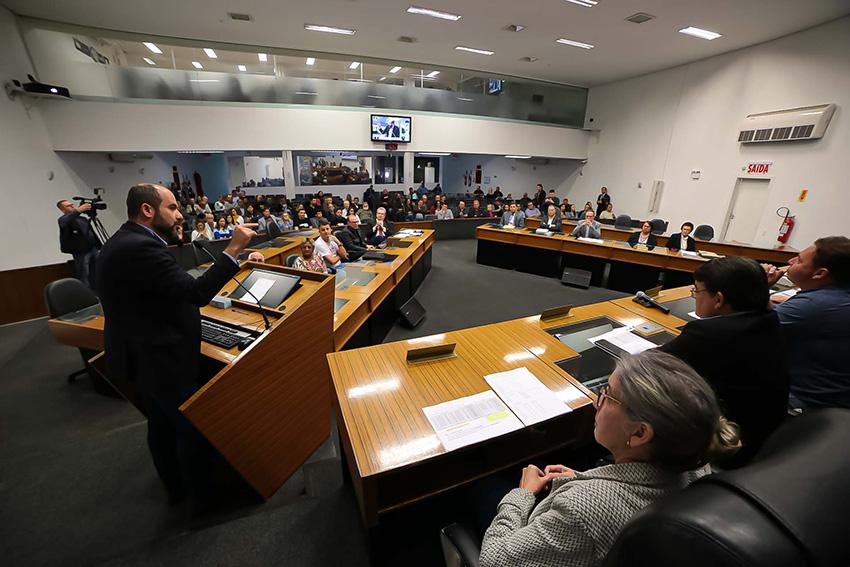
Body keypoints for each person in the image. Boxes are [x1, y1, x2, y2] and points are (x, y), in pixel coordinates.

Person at [479, 350, 740, 567]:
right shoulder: (697, 463)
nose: (597, 401)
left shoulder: (580, 510)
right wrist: (581, 479)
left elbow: (493, 560)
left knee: (483, 485)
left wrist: (523, 494)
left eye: (608, 395)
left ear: (639, 433)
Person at [95, 184, 262, 507]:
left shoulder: (125, 240)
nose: (180, 214)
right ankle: (201, 500)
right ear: (148, 210)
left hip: (142, 355)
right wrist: (233, 249)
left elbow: (160, 292)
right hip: (160, 358)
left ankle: (175, 488)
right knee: (190, 427)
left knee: (161, 424)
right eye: (172, 207)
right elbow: (196, 293)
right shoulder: (140, 247)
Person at [659, 257, 788, 467]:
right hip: (763, 438)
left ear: (718, 300)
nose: (694, 296)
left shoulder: (709, 333)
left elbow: (652, 363)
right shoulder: (768, 319)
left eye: (697, 291)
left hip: (725, 447)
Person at [763, 236, 850, 409]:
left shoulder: (813, 305)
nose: (791, 261)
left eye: (800, 260)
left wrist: (759, 286)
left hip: (804, 404)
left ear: (819, 274)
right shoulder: (837, 296)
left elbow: (752, 325)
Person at [57, 199, 101, 287]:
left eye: (72, 204)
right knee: (84, 274)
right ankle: (85, 296)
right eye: (68, 206)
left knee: (98, 271)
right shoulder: (63, 220)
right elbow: (64, 221)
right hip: (81, 252)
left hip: (93, 248)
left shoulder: (82, 219)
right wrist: (79, 210)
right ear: (62, 210)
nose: (72, 206)